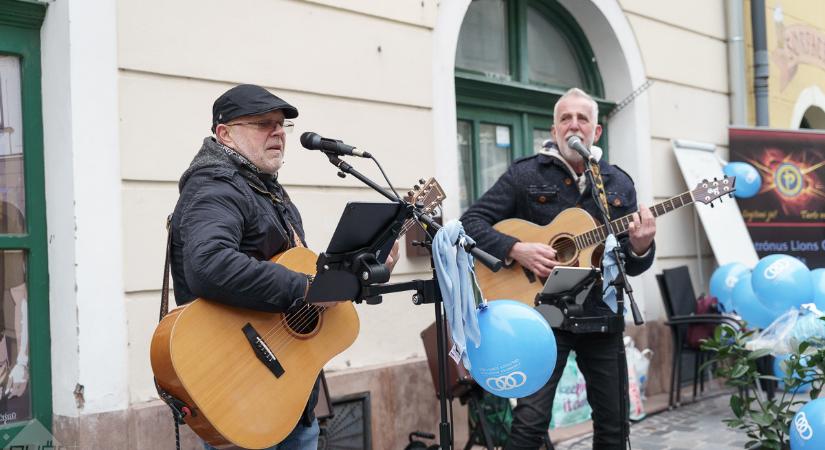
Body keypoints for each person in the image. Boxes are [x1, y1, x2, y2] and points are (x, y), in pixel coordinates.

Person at [169, 84, 398, 450]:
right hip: (240, 393)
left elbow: (292, 270)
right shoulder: (215, 185)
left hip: (288, 397)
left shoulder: (266, 190)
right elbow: (209, 264)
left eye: (282, 125)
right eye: (264, 124)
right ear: (224, 133)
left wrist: (355, 272)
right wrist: (308, 287)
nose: (278, 132)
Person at [461, 88, 656, 450]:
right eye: (565, 118)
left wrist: (642, 246)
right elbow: (470, 222)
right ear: (554, 130)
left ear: (596, 132)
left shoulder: (617, 183)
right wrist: (515, 248)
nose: (574, 125)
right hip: (542, 316)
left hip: (602, 315)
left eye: (582, 118)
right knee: (529, 424)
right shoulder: (525, 175)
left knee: (614, 426)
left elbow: (631, 262)